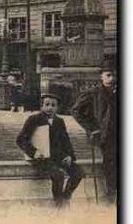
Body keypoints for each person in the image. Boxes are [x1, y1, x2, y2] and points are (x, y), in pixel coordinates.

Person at [16, 94, 84, 207]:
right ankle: (58, 203)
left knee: (78, 172)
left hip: (57, 156)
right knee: (58, 175)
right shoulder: (34, 119)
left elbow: (65, 140)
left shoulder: (59, 121)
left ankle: (66, 197)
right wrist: (34, 152)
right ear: (42, 106)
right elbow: (21, 139)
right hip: (41, 158)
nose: (50, 108)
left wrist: (69, 156)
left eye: (53, 105)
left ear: (57, 107)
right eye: (47, 105)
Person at [72, 67, 117, 203]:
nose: (112, 78)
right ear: (101, 77)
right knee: (110, 161)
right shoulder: (93, 93)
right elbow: (76, 111)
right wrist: (92, 128)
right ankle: (112, 193)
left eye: (115, 75)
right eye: (108, 75)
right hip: (105, 135)